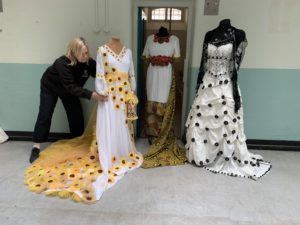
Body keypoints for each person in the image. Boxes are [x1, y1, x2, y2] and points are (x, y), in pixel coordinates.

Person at [185, 19, 271, 180]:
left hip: (226, 85)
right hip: (208, 85)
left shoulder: (238, 34)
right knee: (201, 120)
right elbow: (204, 62)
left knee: (227, 120)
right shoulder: (209, 35)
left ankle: (223, 155)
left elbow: (236, 66)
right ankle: (200, 153)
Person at [29, 37, 106, 163]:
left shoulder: (88, 63)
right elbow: (71, 87)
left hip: (69, 90)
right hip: (51, 87)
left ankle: (78, 142)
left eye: (87, 53)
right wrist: (94, 95)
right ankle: (36, 147)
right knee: (45, 114)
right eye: (83, 54)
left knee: (76, 115)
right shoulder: (62, 63)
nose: (86, 56)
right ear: (74, 52)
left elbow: (101, 74)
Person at [141, 26, 187, 168]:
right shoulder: (150, 39)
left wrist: (163, 58)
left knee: (163, 101)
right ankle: (151, 134)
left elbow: (177, 58)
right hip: (152, 75)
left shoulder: (174, 40)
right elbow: (145, 57)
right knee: (151, 101)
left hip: (166, 75)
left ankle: (163, 133)